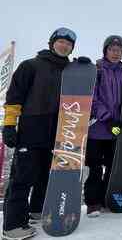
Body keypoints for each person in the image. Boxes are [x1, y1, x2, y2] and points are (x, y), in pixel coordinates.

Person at [1, 28, 76, 240]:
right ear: (52, 43)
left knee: (45, 176)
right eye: (61, 42)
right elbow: (14, 99)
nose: (64, 46)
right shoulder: (30, 66)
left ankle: (36, 211)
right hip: (31, 130)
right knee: (23, 179)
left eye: (68, 44)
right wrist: (9, 126)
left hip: (58, 132)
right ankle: (13, 226)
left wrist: (84, 68)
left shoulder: (70, 71)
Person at [84, 35, 122, 217]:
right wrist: (107, 118)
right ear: (105, 51)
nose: (116, 53)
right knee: (94, 168)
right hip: (97, 128)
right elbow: (92, 98)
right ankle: (93, 203)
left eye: (119, 50)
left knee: (112, 167)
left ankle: (106, 199)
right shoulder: (96, 70)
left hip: (116, 129)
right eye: (112, 49)